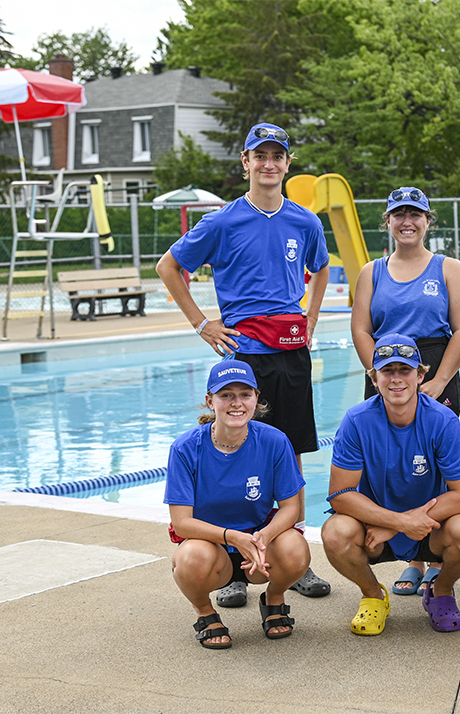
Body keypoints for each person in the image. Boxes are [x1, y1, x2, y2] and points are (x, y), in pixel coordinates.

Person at [156, 123, 332, 605]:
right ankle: (234, 566)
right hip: (246, 351)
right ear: (245, 161)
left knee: (288, 450)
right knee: (238, 446)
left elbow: (321, 270)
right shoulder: (222, 222)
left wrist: (311, 316)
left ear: (288, 163)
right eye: (261, 156)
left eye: (278, 156)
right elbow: (168, 267)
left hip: (292, 349)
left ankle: (291, 559)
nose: (269, 164)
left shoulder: (305, 221)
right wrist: (201, 324)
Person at [350, 186, 460, 597]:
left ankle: (436, 558)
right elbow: (361, 328)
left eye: (415, 214)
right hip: (389, 371)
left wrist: (437, 381)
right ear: (387, 221)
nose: (407, 221)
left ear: (427, 221)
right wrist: (376, 374)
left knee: (439, 466)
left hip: (436, 366)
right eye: (399, 214)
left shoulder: (448, 268)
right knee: (392, 464)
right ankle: (414, 558)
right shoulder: (372, 271)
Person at [321, 334, 460, 635]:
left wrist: (401, 525)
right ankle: (373, 595)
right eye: (387, 371)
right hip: (375, 531)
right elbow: (340, 496)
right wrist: (397, 522)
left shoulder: (442, 421)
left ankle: (441, 589)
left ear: (421, 375)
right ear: (374, 378)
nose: (396, 379)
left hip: (430, 529)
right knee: (335, 534)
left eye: (405, 370)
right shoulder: (356, 421)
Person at [165, 360, 310, 649]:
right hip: (211, 548)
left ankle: (274, 599)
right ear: (210, 401)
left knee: (296, 549)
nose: (237, 403)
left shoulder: (274, 441)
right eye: (226, 395)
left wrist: (263, 537)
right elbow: (182, 522)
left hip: (259, 545)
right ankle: (205, 613)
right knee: (190, 558)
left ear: (257, 398)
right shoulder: (185, 448)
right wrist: (233, 537)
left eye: (245, 394)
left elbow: (291, 509)